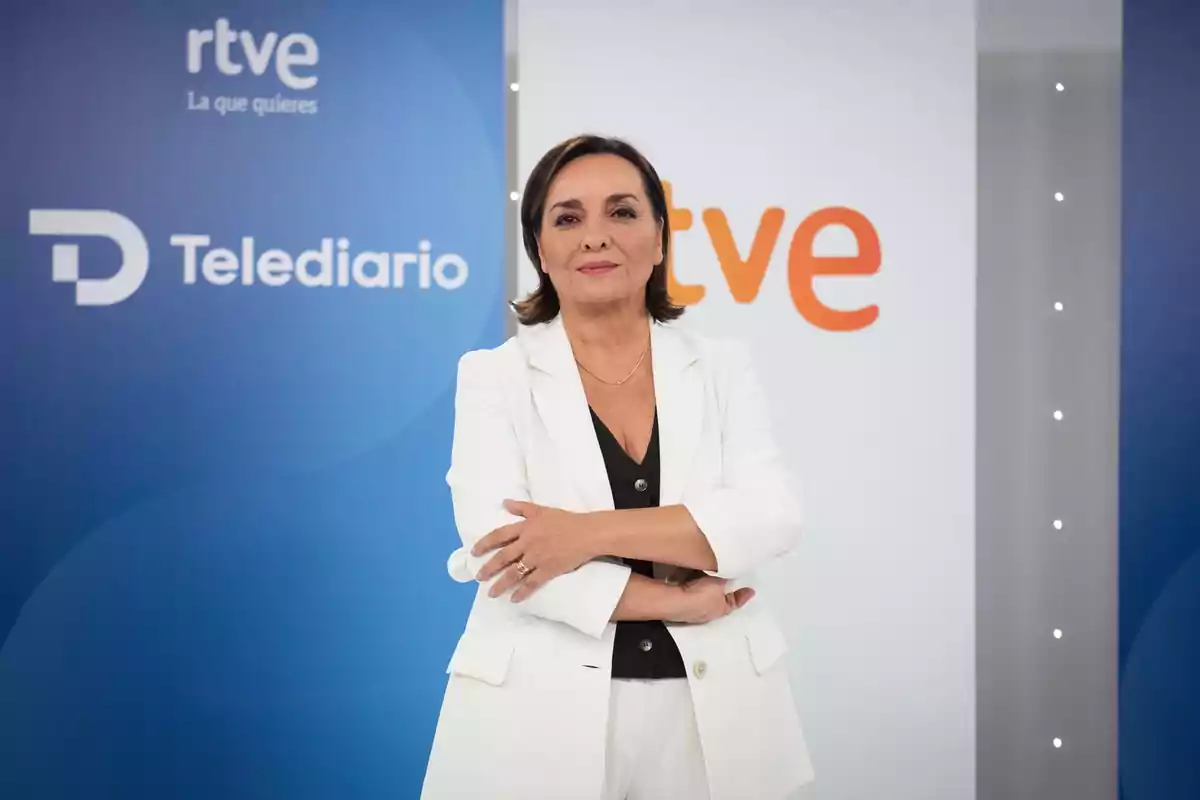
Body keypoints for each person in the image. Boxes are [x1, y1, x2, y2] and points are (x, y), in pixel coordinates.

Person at [420, 134, 814, 800]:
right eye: (567, 218)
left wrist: (582, 534)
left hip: (715, 716)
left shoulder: (721, 367)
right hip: (534, 720)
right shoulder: (493, 377)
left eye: (622, 212)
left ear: (660, 240)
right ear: (540, 249)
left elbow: (770, 516)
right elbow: (502, 557)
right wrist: (669, 600)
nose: (594, 236)